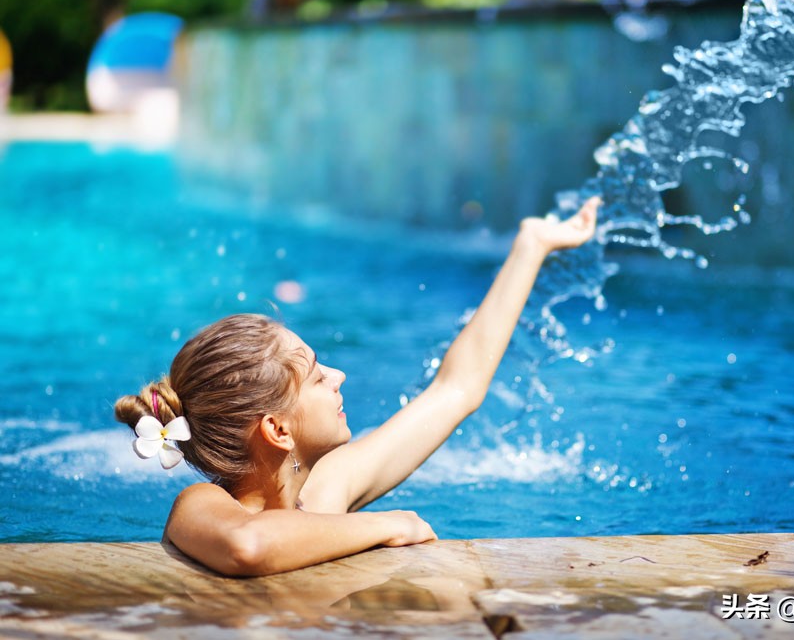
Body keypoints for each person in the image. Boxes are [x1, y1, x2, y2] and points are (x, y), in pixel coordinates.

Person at [115, 197, 601, 576]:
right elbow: (249, 546)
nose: (340, 377)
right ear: (277, 430)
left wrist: (531, 248)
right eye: (318, 376)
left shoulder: (325, 489)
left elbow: (458, 388)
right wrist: (389, 522)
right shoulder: (201, 505)